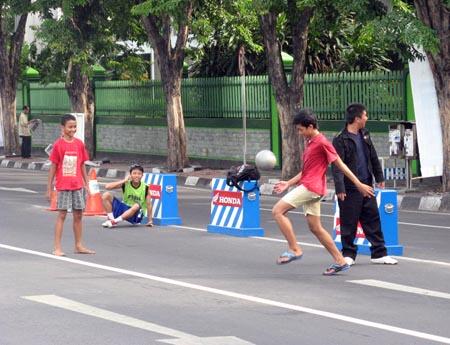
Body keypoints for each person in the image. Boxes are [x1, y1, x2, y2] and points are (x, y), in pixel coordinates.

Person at [272, 108, 374, 276]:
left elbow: (340, 165)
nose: (299, 133)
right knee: (316, 228)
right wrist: (288, 183)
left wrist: (358, 184)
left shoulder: (322, 142)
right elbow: (306, 170)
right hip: (311, 186)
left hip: (311, 188)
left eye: (301, 129)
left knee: (277, 211)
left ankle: (294, 249)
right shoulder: (310, 142)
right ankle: (340, 261)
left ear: (310, 126)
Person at [332, 103, 398, 266]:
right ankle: (348, 254)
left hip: (367, 184)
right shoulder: (340, 139)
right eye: (365, 116)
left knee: (372, 219)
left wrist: (379, 176)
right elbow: (337, 165)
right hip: (350, 188)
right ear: (357, 119)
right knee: (348, 222)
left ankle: (379, 253)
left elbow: (373, 156)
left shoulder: (365, 134)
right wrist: (340, 187)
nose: (367, 118)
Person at [47, 114, 95, 257]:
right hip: (63, 185)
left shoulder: (79, 144)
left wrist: (86, 184)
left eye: (74, 126)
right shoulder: (58, 145)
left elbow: (82, 165)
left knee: (78, 215)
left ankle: (79, 245)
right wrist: (49, 188)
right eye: (70, 127)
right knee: (62, 214)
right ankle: (57, 247)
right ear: (63, 128)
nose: (73, 129)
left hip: (78, 185)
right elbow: (53, 167)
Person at [101, 163, 153, 228]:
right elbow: (107, 187)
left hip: (135, 215)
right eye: (134, 173)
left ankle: (114, 221)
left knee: (137, 205)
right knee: (106, 195)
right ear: (130, 175)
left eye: (139, 174)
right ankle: (111, 220)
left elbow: (149, 204)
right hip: (124, 209)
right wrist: (124, 180)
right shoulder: (126, 183)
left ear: (142, 175)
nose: (137, 175)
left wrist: (150, 221)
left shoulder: (146, 187)